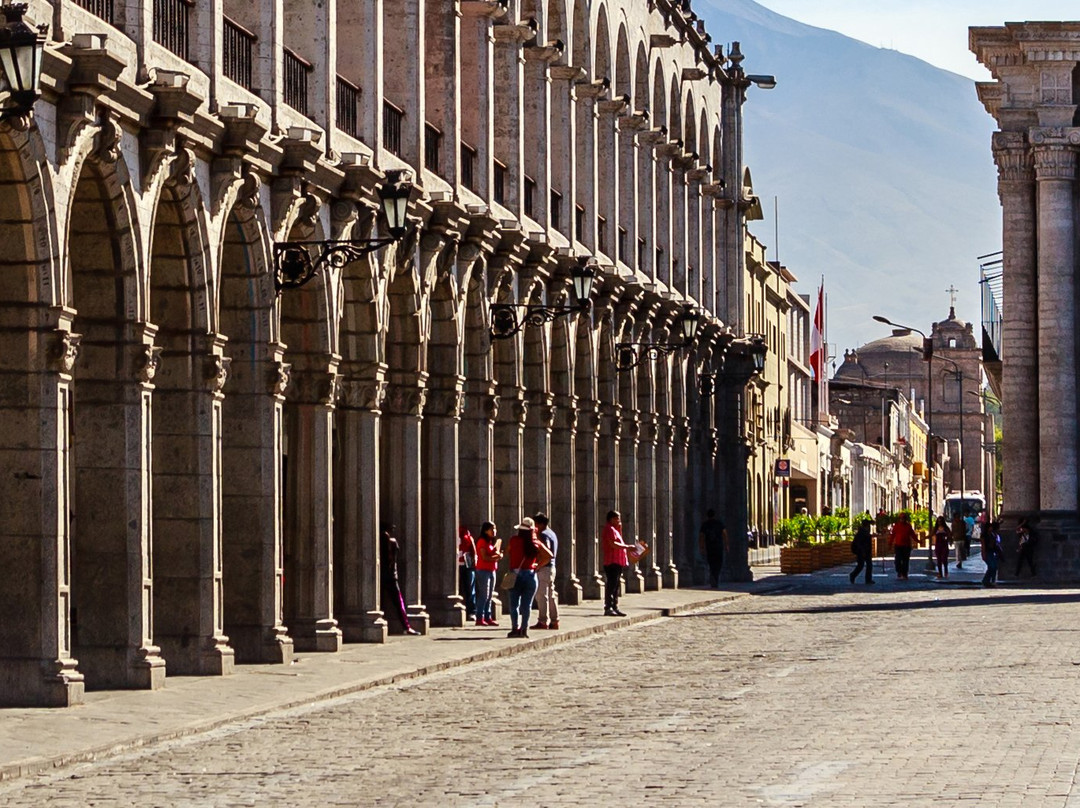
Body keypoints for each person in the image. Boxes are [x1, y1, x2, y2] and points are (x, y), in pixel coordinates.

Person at [506, 518, 543, 638]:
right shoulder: (535, 543)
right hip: (530, 575)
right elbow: (549, 555)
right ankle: (524, 629)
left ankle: (514, 628)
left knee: (514, 604)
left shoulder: (514, 540)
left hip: (515, 574)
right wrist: (538, 565)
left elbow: (507, 552)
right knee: (526, 605)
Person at [381, 524, 420, 635]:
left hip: (381, 575)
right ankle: (406, 626)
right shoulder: (393, 543)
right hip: (391, 576)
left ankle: (400, 625)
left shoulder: (383, 543)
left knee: (383, 602)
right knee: (398, 602)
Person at [601, 510, 634, 616]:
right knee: (611, 585)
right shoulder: (609, 529)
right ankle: (608, 607)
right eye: (617, 518)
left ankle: (614, 606)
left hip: (618, 561)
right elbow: (613, 544)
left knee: (616, 586)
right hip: (612, 561)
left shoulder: (615, 530)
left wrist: (620, 529)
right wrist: (627, 547)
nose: (619, 520)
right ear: (612, 519)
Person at [531, 513, 560, 630]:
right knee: (551, 595)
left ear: (540, 524)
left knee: (542, 596)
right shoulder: (552, 533)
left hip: (545, 568)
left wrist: (538, 565)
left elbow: (547, 552)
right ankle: (555, 620)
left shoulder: (543, 535)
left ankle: (543, 620)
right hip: (552, 568)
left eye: (535, 525)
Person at [473, 521, 502, 626]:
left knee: (489, 595)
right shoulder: (482, 541)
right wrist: (497, 557)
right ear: (485, 530)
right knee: (484, 594)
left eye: (495, 529)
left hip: (491, 570)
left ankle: (488, 616)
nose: (494, 531)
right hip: (483, 570)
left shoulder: (490, 542)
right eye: (491, 529)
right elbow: (484, 557)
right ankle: (479, 617)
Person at [698, 509, 728, 587]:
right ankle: (715, 577)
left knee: (711, 563)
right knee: (719, 563)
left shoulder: (705, 524)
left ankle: (713, 575)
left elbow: (701, 536)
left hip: (709, 547)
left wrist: (702, 547)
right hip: (718, 547)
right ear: (714, 515)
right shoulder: (719, 523)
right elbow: (724, 533)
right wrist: (726, 545)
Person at [889, 512, 916, 580]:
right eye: (901, 518)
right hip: (898, 545)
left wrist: (918, 541)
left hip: (906, 546)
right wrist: (890, 543)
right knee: (897, 560)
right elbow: (893, 535)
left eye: (903, 518)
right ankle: (899, 571)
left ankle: (905, 573)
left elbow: (912, 534)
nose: (902, 519)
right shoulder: (896, 526)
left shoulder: (908, 526)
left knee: (905, 561)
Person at [458, 526, 476, 621]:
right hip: (456, 564)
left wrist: (474, 560)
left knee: (470, 588)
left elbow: (472, 548)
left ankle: (472, 611)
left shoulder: (466, 533)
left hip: (466, 564)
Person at [849, 518, 874, 584]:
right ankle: (853, 575)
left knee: (867, 565)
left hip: (865, 551)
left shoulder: (864, 532)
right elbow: (860, 543)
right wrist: (862, 551)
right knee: (861, 565)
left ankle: (868, 579)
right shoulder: (862, 533)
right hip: (862, 551)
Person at [982, 520, 1003, 587]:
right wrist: (983, 553)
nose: (991, 528)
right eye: (990, 527)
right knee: (992, 566)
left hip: (992, 551)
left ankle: (990, 581)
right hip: (987, 552)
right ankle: (986, 580)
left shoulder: (992, 534)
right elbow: (983, 545)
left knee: (994, 566)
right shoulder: (984, 535)